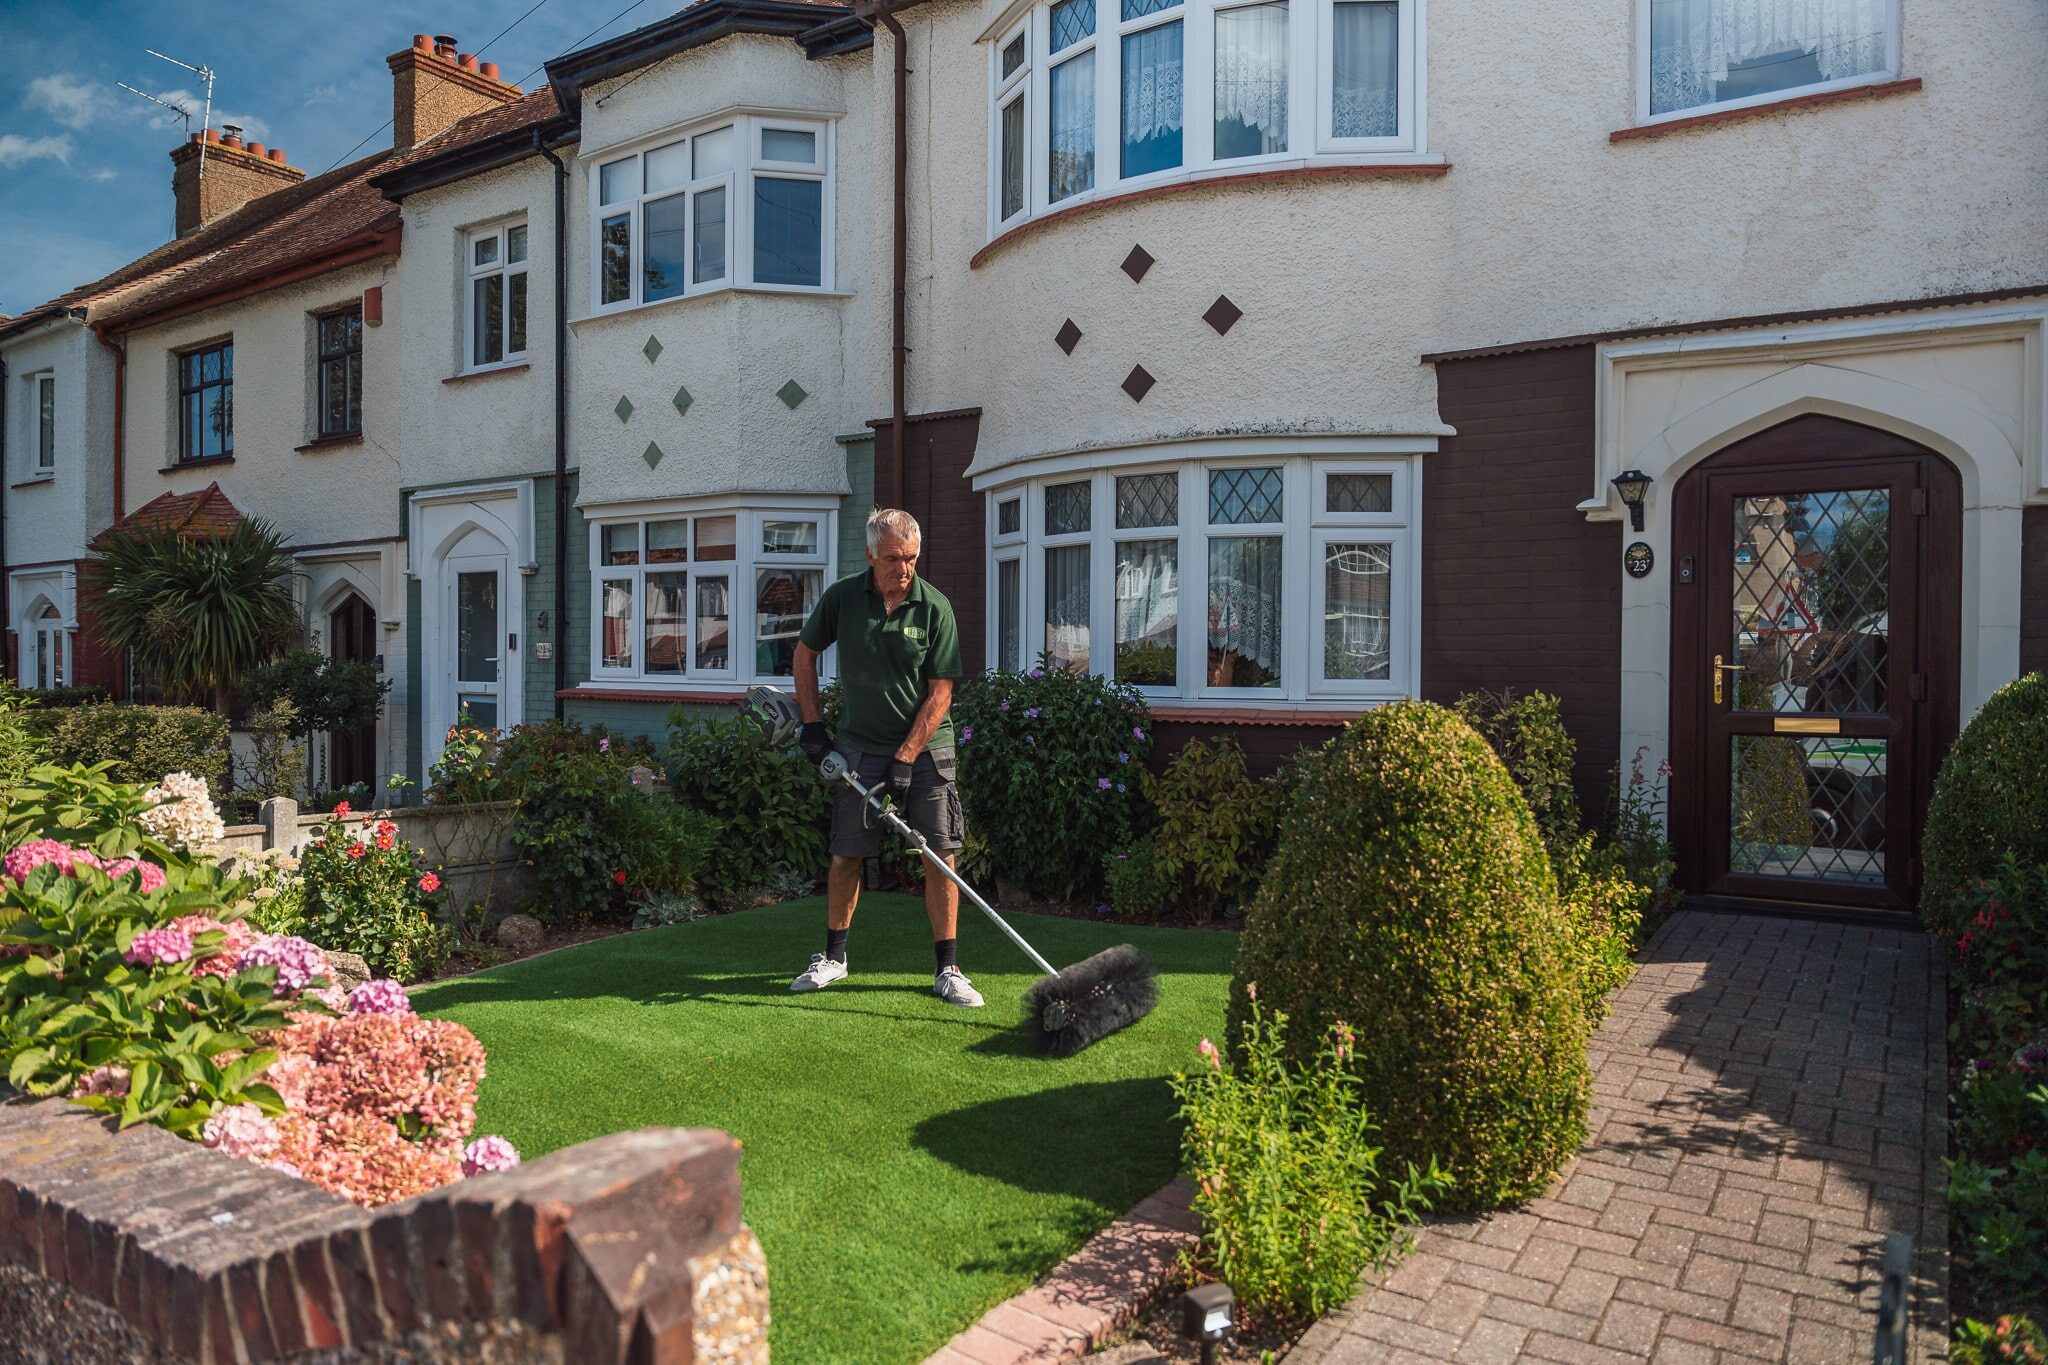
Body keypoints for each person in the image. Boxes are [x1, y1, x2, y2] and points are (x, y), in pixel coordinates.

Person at [786, 508, 982, 1007]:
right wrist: (812, 724)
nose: (905, 568)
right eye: (894, 558)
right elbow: (804, 653)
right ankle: (833, 957)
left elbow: (941, 694)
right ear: (871, 554)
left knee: (940, 856)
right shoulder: (843, 599)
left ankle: (949, 968)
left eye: (912, 558)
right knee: (846, 854)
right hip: (858, 748)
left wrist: (905, 757)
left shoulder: (934, 607)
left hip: (926, 751)